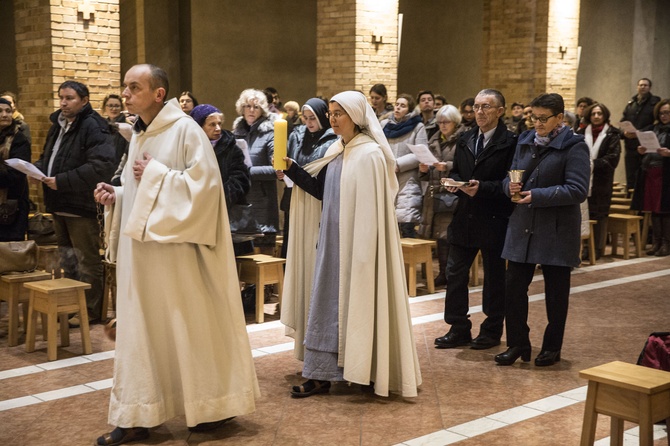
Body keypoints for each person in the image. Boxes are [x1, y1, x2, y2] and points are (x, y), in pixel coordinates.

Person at [93, 64, 259, 445]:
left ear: (158, 94)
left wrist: (155, 175)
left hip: (178, 257)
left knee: (187, 330)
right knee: (141, 333)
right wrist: (117, 196)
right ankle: (137, 413)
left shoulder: (186, 131)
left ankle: (210, 407)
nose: (126, 93)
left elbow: (206, 192)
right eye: (125, 87)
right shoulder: (140, 134)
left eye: (135, 87)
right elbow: (139, 189)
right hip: (144, 257)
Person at [279, 90, 421, 398]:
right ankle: (320, 375)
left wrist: (362, 250)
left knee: (356, 304)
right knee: (325, 305)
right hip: (332, 243)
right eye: (330, 113)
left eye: (338, 113)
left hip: (359, 248)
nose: (332, 118)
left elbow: (372, 212)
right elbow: (321, 191)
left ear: (355, 117)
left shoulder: (369, 154)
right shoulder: (336, 149)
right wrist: (293, 170)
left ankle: (364, 369)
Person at [496, 93, 590, 367]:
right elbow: (509, 176)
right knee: (513, 288)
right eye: (533, 117)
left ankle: (551, 347)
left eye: (543, 118)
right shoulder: (524, 141)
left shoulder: (575, 146)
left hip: (556, 230)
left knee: (556, 293)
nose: (537, 123)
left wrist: (536, 195)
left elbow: (578, 189)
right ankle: (517, 343)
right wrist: (508, 187)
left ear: (559, 118)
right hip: (522, 225)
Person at [434, 89, 516, 351]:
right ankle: (458, 328)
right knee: (455, 273)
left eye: (486, 107)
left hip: (494, 216)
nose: (479, 112)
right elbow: (458, 169)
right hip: (465, 216)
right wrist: (453, 182)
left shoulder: (511, 142)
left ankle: (491, 331)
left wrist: (483, 187)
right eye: (477, 107)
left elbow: (510, 181)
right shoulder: (467, 138)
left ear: (500, 111)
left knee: (493, 278)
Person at [33, 80, 115, 324]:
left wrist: (62, 181)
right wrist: (37, 170)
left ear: (84, 100)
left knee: (87, 259)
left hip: (82, 204)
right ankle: (71, 304)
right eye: (61, 97)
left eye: (69, 98)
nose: (63, 103)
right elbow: (49, 156)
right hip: (59, 202)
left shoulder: (94, 126)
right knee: (68, 258)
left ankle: (89, 311)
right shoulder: (57, 124)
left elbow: (100, 166)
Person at [276, 97, 337, 258]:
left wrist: (293, 170)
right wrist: (282, 171)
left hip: (316, 199)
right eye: (306, 118)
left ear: (322, 117)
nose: (309, 123)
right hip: (294, 197)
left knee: (311, 248)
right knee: (293, 247)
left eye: (313, 118)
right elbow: (288, 159)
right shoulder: (296, 136)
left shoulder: (333, 139)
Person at [190, 104, 252, 255]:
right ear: (198, 127)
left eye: (219, 124)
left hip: (226, 212)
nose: (217, 128)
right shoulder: (190, 148)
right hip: (197, 215)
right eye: (212, 124)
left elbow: (241, 179)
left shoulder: (231, 147)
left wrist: (218, 198)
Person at [417, 104, 464, 287]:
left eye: (446, 122)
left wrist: (448, 166)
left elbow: (465, 165)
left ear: (455, 122)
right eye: (440, 122)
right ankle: (443, 273)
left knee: (449, 236)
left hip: (453, 195)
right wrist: (424, 170)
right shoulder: (434, 139)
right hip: (435, 195)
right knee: (439, 236)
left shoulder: (462, 140)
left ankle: (453, 274)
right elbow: (429, 171)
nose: (443, 125)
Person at [232, 88, 279, 254]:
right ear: (241, 108)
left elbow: (277, 169)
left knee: (264, 255)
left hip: (263, 202)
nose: (251, 110)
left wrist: (247, 171)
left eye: (256, 107)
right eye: (248, 106)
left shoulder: (271, 133)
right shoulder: (237, 132)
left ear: (263, 110)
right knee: (243, 257)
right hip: (242, 200)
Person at [381, 93, 428, 238]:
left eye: (403, 105)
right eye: (397, 104)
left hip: (407, 180)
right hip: (386, 177)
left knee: (406, 225)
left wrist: (398, 164)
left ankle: (410, 261)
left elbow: (421, 152)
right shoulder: (384, 125)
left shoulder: (417, 126)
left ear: (409, 110)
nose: (398, 108)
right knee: (386, 228)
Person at [578, 103, 621, 259]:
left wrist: (591, 164)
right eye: (593, 113)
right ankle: (585, 249)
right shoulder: (581, 133)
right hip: (583, 180)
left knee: (599, 216)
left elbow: (612, 159)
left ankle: (598, 249)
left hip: (602, 182)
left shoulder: (612, 134)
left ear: (605, 116)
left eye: (599, 114)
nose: (596, 116)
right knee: (585, 216)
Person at [631, 98, 670, 256]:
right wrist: (641, 151)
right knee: (653, 209)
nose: (663, 116)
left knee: (666, 210)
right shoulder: (653, 129)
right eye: (661, 113)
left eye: (667, 112)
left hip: (666, 174)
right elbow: (645, 148)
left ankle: (666, 244)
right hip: (651, 172)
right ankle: (656, 242)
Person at [621, 78, 660, 189]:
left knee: (643, 174)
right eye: (641, 85)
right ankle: (630, 197)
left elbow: (656, 123)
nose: (643, 87)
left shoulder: (655, 103)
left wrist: (639, 133)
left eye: (645, 85)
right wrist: (624, 132)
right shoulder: (631, 104)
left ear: (649, 87)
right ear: (637, 87)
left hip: (646, 144)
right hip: (630, 144)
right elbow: (623, 120)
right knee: (631, 174)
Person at [0, 97, 30, 241]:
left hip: (12, 206)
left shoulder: (19, 139)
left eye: (8, 111)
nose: (4, 115)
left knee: (11, 255)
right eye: (0, 111)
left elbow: (16, 175)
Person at [102, 94, 131, 167]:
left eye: (117, 106)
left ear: (121, 108)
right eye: (110, 105)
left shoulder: (127, 127)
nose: (114, 109)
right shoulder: (101, 125)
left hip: (120, 167)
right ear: (105, 107)